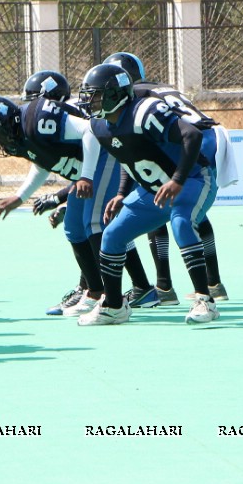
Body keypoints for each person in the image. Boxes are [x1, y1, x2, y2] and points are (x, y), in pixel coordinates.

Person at [74, 63, 221, 326]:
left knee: (181, 223)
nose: (90, 101)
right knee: (112, 234)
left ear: (115, 95)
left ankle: (205, 300)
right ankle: (114, 306)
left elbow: (192, 135)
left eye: (96, 95)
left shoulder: (144, 112)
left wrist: (177, 180)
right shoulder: (100, 125)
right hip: (153, 190)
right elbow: (128, 157)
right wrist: (121, 194)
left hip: (194, 179)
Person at [0, 81, 121, 318]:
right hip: (88, 169)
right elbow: (42, 160)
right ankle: (94, 292)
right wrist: (20, 196)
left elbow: (91, 130)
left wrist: (85, 176)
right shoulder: (20, 136)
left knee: (93, 223)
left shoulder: (37, 118)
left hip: (105, 154)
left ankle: (113, 300)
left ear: (7, 123)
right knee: (74, 228)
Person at [101, 51, 234, 306]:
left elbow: (135, 149)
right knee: (192, 212)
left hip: (192, 143)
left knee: (176, 206)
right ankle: (213, 282)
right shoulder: (157, 87)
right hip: (211, 134)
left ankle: (166, 285)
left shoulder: (133, 100)